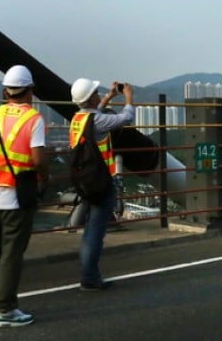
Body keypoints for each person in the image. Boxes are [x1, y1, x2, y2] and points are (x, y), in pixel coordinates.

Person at [0, 65, 49, 328]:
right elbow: (38, 159)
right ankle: (5, 310)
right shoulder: (34, 119)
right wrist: (44, 177)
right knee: (12, 254)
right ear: (30, 91)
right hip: (17, 196)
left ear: (6, 91)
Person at [68, 77, 135, 291]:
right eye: (96, 92)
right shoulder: (98, 121)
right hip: (101, 182)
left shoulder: (78, 118)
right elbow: (126, 118)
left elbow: (94, 112)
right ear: (91, 97)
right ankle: (89, 277)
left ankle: (90, 274)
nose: (99, 94)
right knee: (95, 230)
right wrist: (128, 97)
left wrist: (109, 96)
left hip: (85, 182)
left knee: (90, 227)